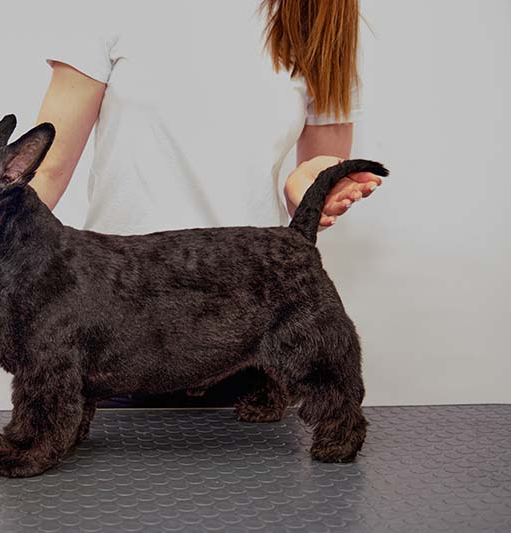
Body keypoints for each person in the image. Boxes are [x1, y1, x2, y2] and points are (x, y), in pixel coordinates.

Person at [29, 0, 383, 407]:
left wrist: (309, 187)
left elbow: (318, 171)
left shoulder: (321, 15)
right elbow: (46, 169)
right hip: (120, 327)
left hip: (250, 331)